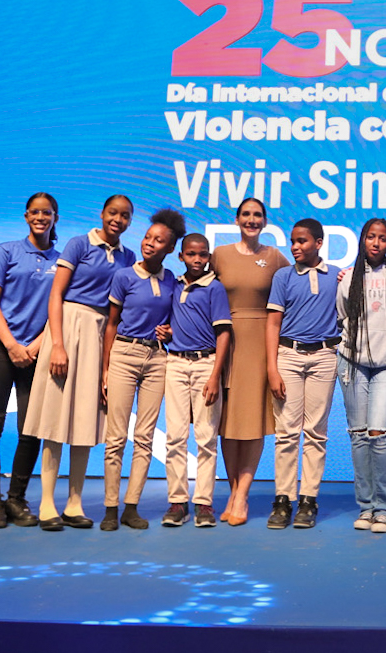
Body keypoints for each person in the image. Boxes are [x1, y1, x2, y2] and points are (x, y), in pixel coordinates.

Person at [24, 195, 135, 531]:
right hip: (68, 327)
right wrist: (57, 344)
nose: (117, 220)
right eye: (113, 213)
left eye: (125, 216)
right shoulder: (78, 244)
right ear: (102, 213)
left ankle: (74, 502)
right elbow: (56, 295)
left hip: (99, 335)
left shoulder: (128, 257)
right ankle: (46, 502)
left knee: (86, 418)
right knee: (55, 418)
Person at [0, 193, 59, 528]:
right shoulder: (6, 250)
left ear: (55, 217)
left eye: (46, 212)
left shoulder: (61, 260)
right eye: (35, 212)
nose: (40, 217)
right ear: (26, 216)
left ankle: (16, 499)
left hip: (36, 352)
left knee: (30, 428)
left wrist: (35, 346)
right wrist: (12, 345)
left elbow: (60, 310)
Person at [100, 208, 186, 530]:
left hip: (157, 360)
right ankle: (110, 509)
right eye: (148, 237)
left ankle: (131, 507)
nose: (150, 243)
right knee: (115, 437)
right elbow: (111, 324)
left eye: (158, 240)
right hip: (124, 355)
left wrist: (170, 331)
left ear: (170, 248)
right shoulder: (123, 276)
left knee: (144, 437)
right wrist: (105, 368)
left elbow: (177, 322)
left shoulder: (172, 281)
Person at [212, 197, 288, 526]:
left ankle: (242, 494)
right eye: (246, 214)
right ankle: (233, 492)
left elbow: (296, 287)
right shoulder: (219, 255)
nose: (251, 220)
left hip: (260, 344)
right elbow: (201, 292)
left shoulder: (274, 257)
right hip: (225, 342)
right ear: (236, 219)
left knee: (254, 419)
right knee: (227, 423)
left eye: (257, 215)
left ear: (265, 222)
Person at [265, 218, 341, 530]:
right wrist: (272, 368)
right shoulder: (283, 276)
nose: (295, 247)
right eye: (293, 241)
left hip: (324, 357)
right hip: (288, 356)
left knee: (316, 432)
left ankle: (309, 499)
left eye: (302, 241)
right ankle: (283, 498)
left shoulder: (337, 276)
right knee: (286, 431)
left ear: (319, 243)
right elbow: (273, 323)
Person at [338, 217, 386, 534]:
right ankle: (366, 507)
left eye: (382, 238)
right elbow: (342, 315)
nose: (376, 243)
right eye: (370, 236)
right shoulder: (349, 277)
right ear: (362, 240)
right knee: (358, 435)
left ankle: (385, 509)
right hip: (352, 363)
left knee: (378, 433)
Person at [159, 233, 232, 528]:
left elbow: (224, 333)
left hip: (206, 365)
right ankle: (178, 502)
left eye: (203, 254)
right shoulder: (174, 285)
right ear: (181, 256)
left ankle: (204, 503)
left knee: (206, 437)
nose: (197, 259)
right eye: (191, 254)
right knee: (175, 437)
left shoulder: (215, 288)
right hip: (175, 364)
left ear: (209, 257)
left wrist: (215, 375)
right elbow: (168, 322)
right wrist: (166, 333)